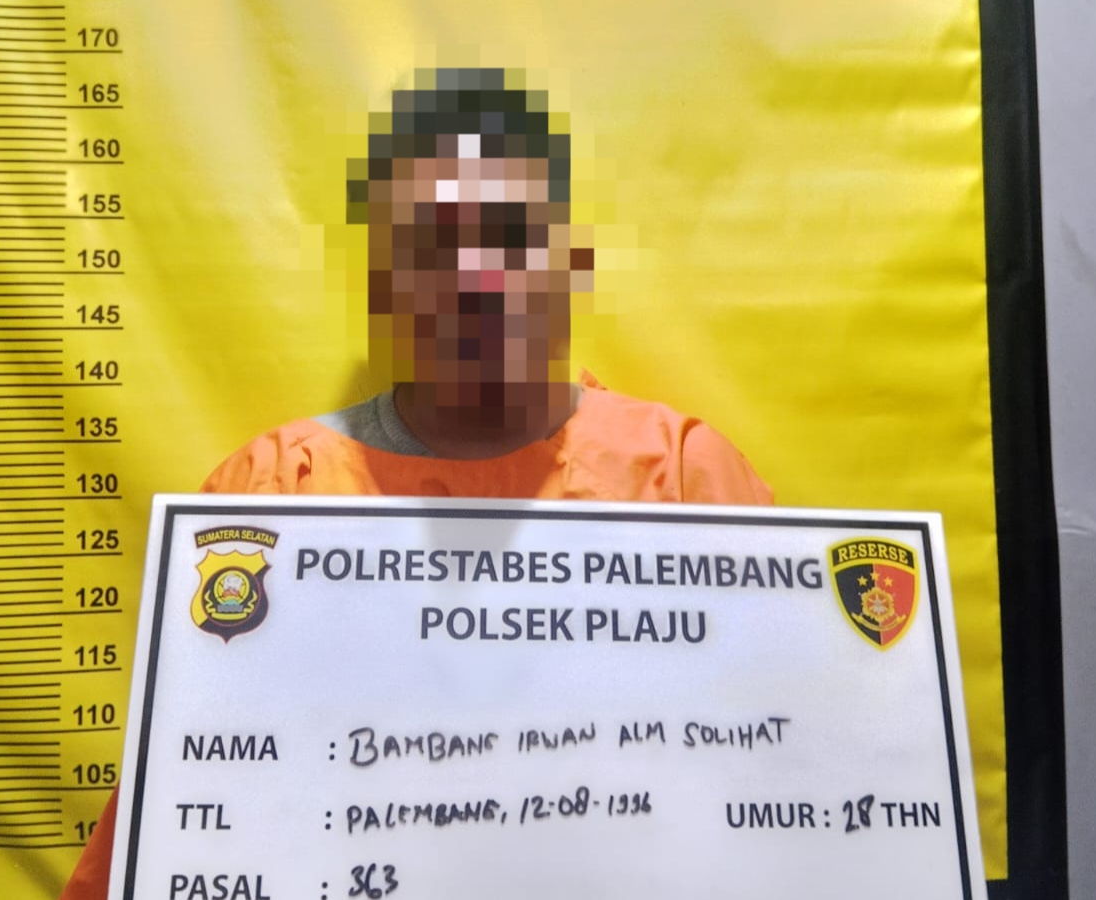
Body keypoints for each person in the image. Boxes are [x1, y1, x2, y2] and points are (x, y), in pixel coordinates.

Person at [58, 66, 770, 900]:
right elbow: (192, 807)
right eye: (431, 245)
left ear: (571, 263)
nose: (474, 277)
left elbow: (787, 770)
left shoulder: (683, 477)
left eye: (508, 235)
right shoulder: (269, 497)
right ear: (382, 284)